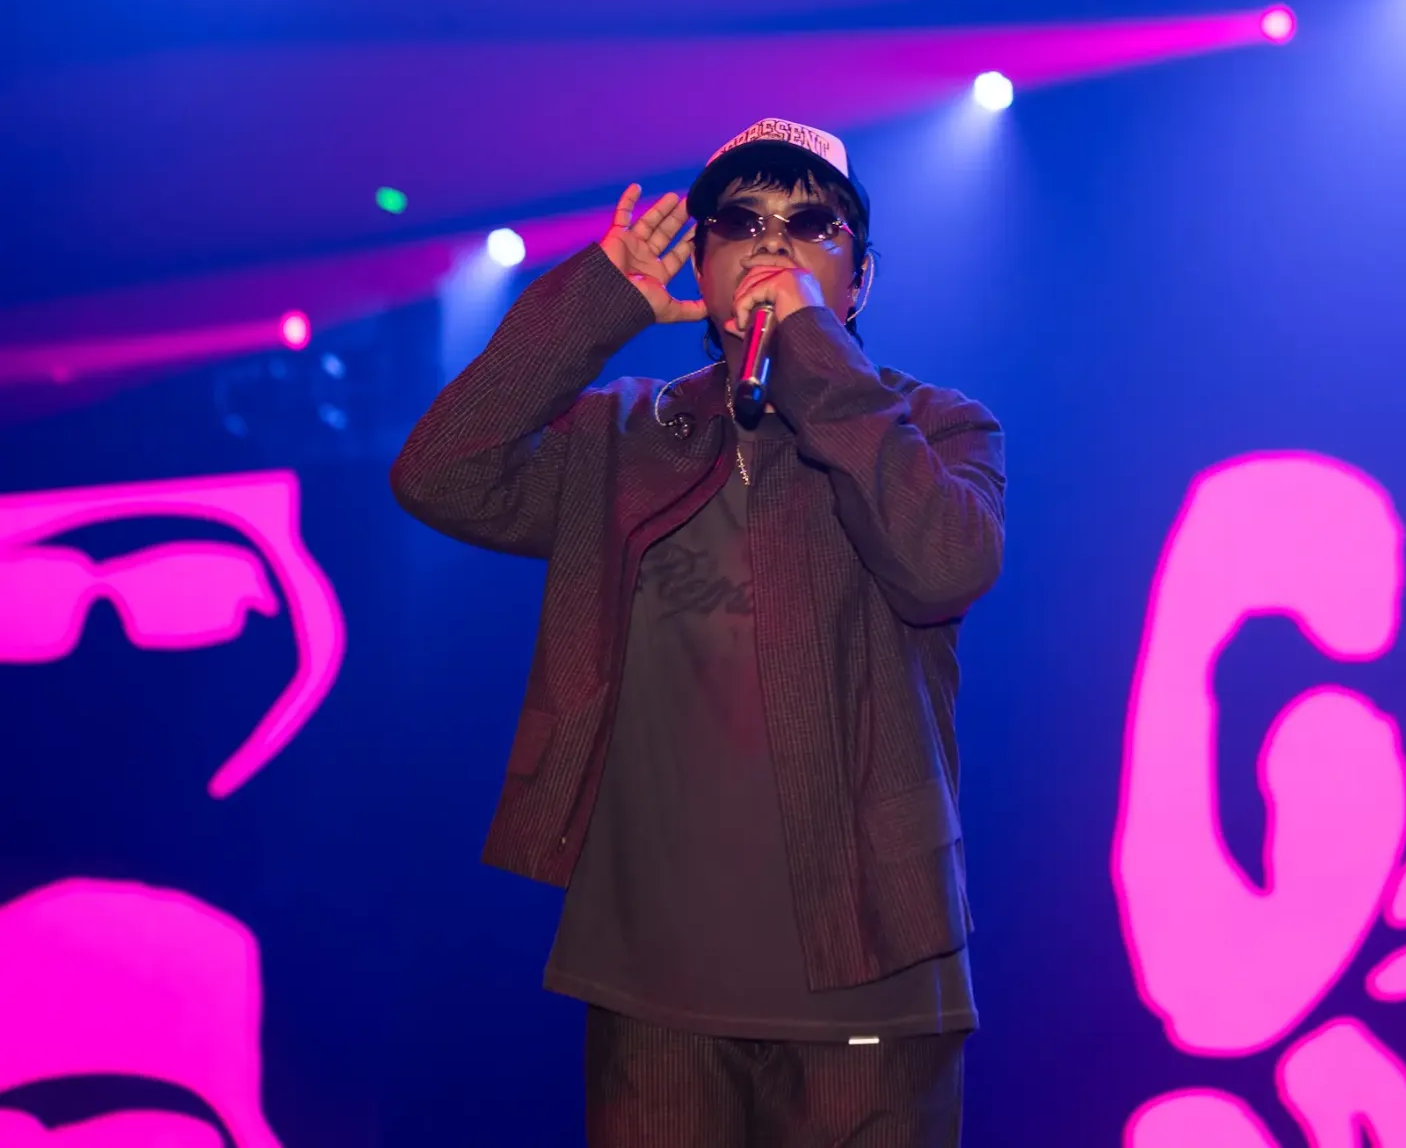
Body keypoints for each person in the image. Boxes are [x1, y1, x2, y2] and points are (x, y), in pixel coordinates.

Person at [390, 117, 1005, 1148]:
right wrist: (598, 302)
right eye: (742, 223)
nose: (772, 246)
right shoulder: (624, 434)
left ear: (857, 279)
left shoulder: (936, 428)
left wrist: (811, 348)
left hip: (868, 970)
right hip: (654, 977)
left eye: (809, 227)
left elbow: (944, 564)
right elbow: (439, 473)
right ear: (703, 262)